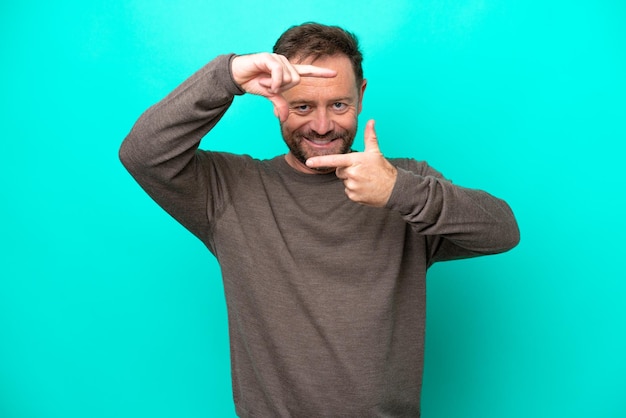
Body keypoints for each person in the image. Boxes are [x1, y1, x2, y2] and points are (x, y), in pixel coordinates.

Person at [119, 22, 519, 418]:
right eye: (303, 106)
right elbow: (142, 153)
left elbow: (502, 231)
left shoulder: (404, 186)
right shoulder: (228, 192)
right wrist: (229, 75)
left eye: (339, 105)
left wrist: (399, 190)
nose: (323, 126)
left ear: (361, 97)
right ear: (275, 100)